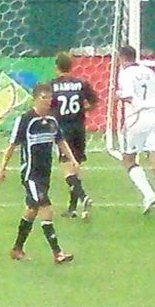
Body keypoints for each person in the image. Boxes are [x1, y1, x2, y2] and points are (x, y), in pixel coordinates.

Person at [0, 82, 77, 265]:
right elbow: (11, 146)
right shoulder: (25, 120)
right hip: (30, 175)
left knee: (31, 210)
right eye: (44, 98)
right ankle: (58, 253)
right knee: (46, 207)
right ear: (35, 99)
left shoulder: (52, 121)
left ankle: (17, 249)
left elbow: (61, 140)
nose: (48, 101)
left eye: (49, 98)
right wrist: (1, 168)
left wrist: (72, 159)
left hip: (45, 174)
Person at [116, 45, 155, 218]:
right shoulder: (147, 71)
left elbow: (128, 96)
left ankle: (149, 195)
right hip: (153, 118)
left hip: (136, 118)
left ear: (123, 58)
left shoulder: (124, 74)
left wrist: (119, 95)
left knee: (128, 159)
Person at [50, 51, 98, 220]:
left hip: (63, 130)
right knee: (75, 166)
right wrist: (82, 110)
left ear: (57, 67)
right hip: (79, 129)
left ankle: (83, 196)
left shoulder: (53, 86)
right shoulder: (81, 83)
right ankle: (72, 208)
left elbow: (49, 107)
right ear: (71, 66)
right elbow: (94, 102)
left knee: (66, 169)